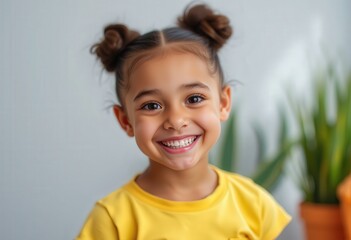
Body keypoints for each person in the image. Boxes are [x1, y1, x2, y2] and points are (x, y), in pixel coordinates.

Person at [76, 3, 291, 240]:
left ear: (223, 103)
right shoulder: (111, 219)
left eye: (194, 98)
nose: (176, 120)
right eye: (151, 105)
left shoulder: (254, 203)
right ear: (125, 120)